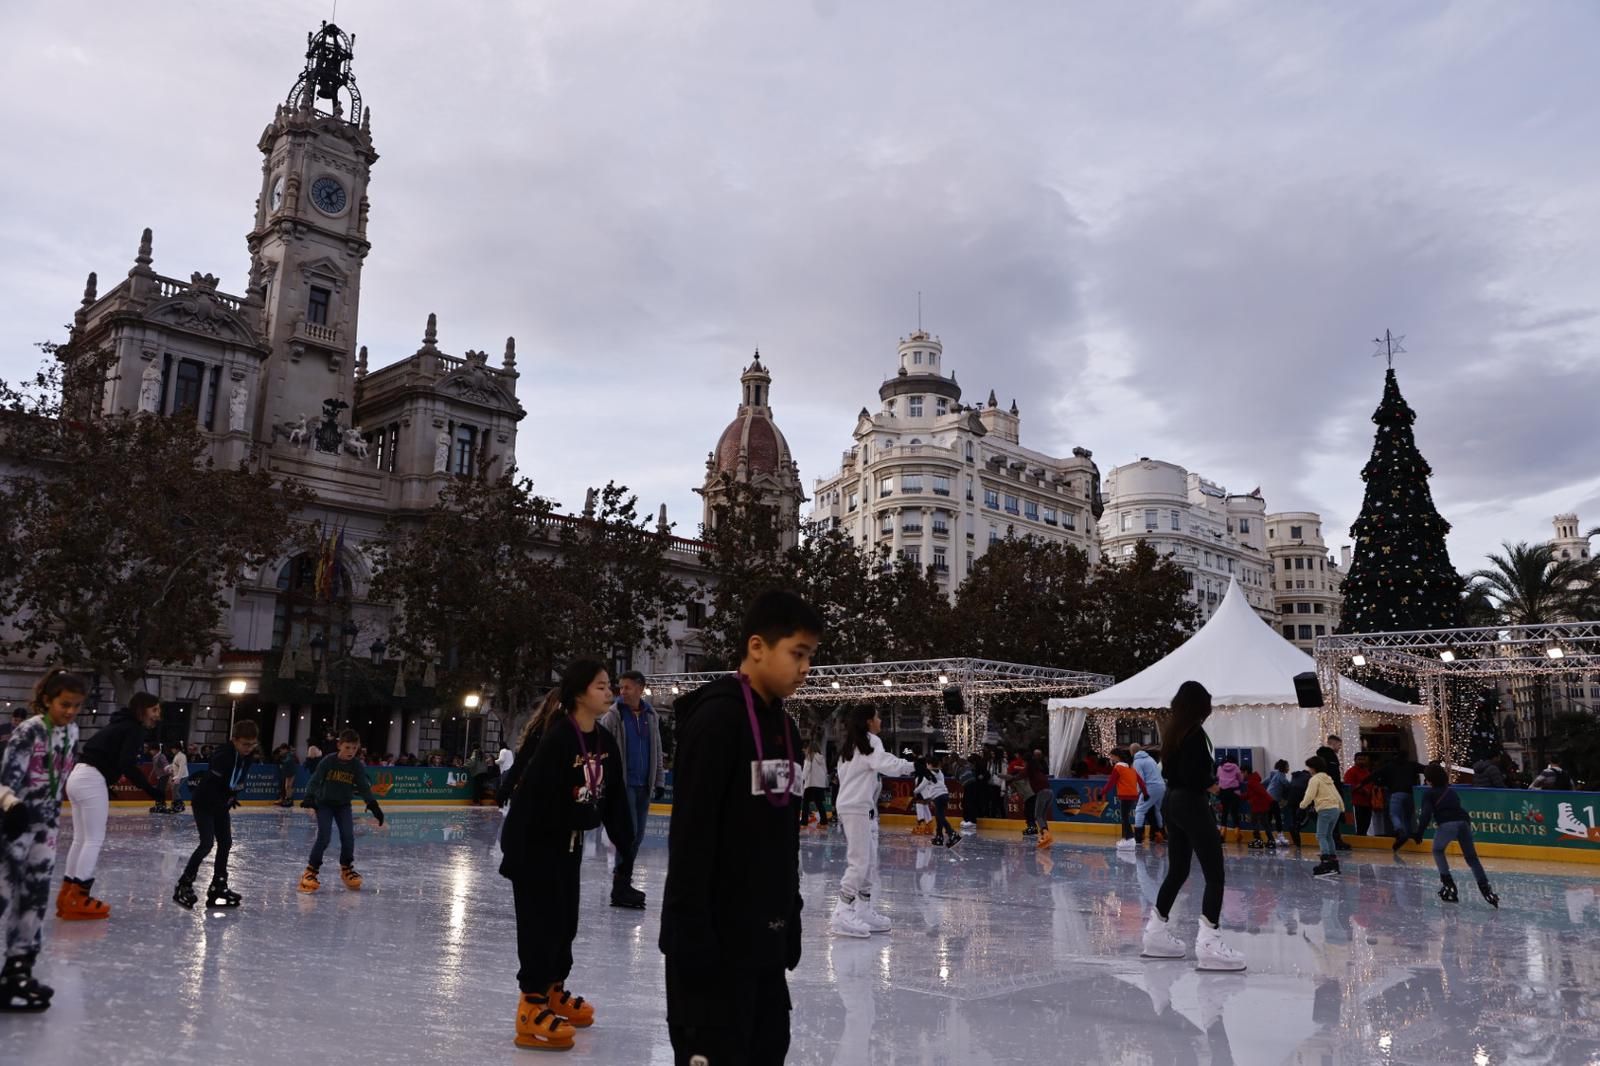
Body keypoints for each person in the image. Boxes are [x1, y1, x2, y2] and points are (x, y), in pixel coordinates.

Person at [660, 590, 822, 1066]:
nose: (806, 667)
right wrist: (695, 943)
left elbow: (781, 834)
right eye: (798, 653)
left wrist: (788, 916)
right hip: (710, 953)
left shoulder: (785, 730)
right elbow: (690, 840)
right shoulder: (716, 721)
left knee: (768, 1048)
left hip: (763, 945)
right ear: (757, 647)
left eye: (810, 656)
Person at [499, 660, 635, 1052]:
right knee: (539, 924)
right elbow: (533, 796)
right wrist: (516, 850)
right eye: (600, 687)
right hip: (535, 845)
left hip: (568, 846)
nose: (610, 693)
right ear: (578, 694)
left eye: (610, 686)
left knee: (564, 922)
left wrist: (626, 842)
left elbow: (612, 796)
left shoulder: (603, 743)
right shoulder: (558, 739)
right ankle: (531, 1004)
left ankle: (554, 989)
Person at [1140, 681, 1245, 971]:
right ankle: (1209, 941)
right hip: (1191, 803)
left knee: (1178, 870)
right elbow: (1195, 774)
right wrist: (1210, 784)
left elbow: (1173, 771)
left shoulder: (1172, 732)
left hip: (1172, 802)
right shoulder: (1196, 734)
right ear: (1200, 705)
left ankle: (1156, 934)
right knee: (1215, 873)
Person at [0, 669, 87, 1012]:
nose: (70, 711)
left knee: (34, 898)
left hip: (46, 827)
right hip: (15, 824)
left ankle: (17, 972)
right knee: (3, 896)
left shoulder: (72, 731)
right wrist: (11, 805)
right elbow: (5, 780)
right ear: (48, 699)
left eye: (77, 706)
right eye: (65, 704)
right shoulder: (30, 730)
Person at [60, 691, 166, 920]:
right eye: (155, 710)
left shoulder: (119, 725)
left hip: (78, 776)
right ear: (142, 709)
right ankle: (79, 896)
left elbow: (106, 756)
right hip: (91, 779)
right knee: (93, 839)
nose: (158, 715)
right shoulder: (134, 729)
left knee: (81, 839)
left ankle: (67, 895)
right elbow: (126, 764)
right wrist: (152, 791)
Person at [830, 704, 915, 937]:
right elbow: (885, 763)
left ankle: (863, 908)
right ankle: (842, 910)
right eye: (878, 717)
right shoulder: (870, 742)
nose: (880, 721)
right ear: (869, 721)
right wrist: (913, 766)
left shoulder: (852, 745)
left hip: (856, 806)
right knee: (859, 861)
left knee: (868, 860)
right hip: (856, 807)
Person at [173, 721, 259, 910]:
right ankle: (184, 884)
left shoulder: (248, 756)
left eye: (252, 744)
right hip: (204, 804)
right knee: (206, 844)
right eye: (245, 744)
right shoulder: (223, 756)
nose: (249, 748)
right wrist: (225, 796)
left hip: (221, 805)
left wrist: (232, 795)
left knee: (226, 843)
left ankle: (218, 885)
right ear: (234, 740)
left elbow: (236, 779)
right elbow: (213, 784)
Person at [599, 669, 663, 909]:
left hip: (643, 784)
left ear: (640, 688)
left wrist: (658, 780)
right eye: (621, 687)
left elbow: (656, 748)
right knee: (628, 834)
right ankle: (620, 883)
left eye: (627, 687)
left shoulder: (651, 715)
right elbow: (603, 749)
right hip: (623, 785)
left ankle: (624, 880)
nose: (622, 692)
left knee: (637, 837)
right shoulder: (613, 716)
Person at [297, 729, 385, 894]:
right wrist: (309, 796)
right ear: (339, 746)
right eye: (347, 747)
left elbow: (363, 787)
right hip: (324, 804)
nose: (351, 751)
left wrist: (373, 805)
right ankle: (311, 870)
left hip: (343, 805)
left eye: (354, 748)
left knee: (348, 835)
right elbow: (315, 779)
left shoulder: (356, 765)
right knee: (324, 836)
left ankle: (346, 868)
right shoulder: (328, 761)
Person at [1414, 764, 1499, 907]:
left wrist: (1419, 833)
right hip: (1464, 822)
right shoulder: (1450, 792)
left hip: (1448, 823)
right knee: (1471, 858)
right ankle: (1486, 890)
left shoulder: (1429, 793)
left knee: (1437, 850)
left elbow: (1426, 815)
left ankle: (1449, 885)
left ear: (1429, 779)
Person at [1301, 756, 1345, 879]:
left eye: (1309, 767)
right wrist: (1341, 808)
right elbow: (1336, 794)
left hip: (1325, 809)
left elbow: (1309, 795)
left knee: (1321, 835)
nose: (1309, 770)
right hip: (1335, 809)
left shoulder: (1315, 779)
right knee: (1328, 835)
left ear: (1313, 768)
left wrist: (1302, 806)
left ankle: (1326, 862)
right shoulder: (1327, 779)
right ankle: (1333, 862)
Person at [1373, 753, 1425, 853]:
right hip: (1410, 794)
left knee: (1394, 814)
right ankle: (1408, 834)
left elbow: (1374, 775)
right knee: (1407, 817)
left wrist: (1380, 783)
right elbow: (1427, 769)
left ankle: (1400, 831)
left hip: (1396, 793)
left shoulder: (1389, 766)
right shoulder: (1412, 765)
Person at [1106, 747, 1148, 851]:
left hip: (1125, 795)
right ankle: (1126, 839)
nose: (1111, 758)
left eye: (1111, 756)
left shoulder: (1118, 767)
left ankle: (1129, 838)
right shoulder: (1130, 768)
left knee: (1124, 817)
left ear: (1116, 756)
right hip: (1132, 795)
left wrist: (1102, 793)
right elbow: (1141, 782)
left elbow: (1111, 783)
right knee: (1124, 817)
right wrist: (1145, 793)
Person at [1315, 735, 1350, 851]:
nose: (1340, 748)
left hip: (1329, 791)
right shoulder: (1329, 756)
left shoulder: (1325, 756)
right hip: (1331, 792)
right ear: (1333, 743)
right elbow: (1331, 775)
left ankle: (1334, 841)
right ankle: (1334, 842)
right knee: (1333, 817)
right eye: (1339, 745)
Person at [920, 753, 959, 848]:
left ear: (930, 764)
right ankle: (939, 837)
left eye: (927, 764)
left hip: (939, 797)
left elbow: (925, 786)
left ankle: (952, 833)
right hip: (942, 796)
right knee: (939, 816)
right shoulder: (939, 772)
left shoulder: (932, 774)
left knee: (940, 816)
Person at [1130, 743, 1166, 844]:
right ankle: (1161, 832)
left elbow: (1140, 779)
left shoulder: (1137, 762)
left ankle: (1138, 835)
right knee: (1157, 810)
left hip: (1150, 787)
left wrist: (1140, 792)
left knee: (1140, 810)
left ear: (1132, 752)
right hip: (1161, 786)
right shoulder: (1150, 759)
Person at [1343, 753, 1377, 835]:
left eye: (1363, 759)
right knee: (1359, 822)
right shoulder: (1351, 772)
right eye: (1359, 759)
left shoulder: (1367, 772)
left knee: (1366, 822)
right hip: (1356, 802)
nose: (1361, 761)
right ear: (1355, 760)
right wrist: (1362, 790)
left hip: (1368, 802)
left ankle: (1363, 836)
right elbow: (1349, 786)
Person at [1005, 749, 1036, 835]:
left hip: (1031, 793)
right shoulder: (1030, 768)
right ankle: (1031, 826)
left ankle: (1032, 827)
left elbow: (1022, 775)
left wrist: (1012, 777)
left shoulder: (1029, 769)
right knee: (1028, 810)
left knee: (1030, 811)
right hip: (1030, 793)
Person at [1242, 770, 1276, 849]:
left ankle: (1258, 840)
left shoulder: (1252, 782)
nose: (1241, 775)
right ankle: (1271, 840)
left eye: (1242, 773)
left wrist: (1271, 801)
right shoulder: (1252, 781)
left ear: (1246, 772)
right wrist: (1240, 796)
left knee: (1255, 822)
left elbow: (1262, 792)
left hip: (1258, 806)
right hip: (1261, 805)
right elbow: (1249, 794)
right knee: (1264, 823)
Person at [1214, 757, 1244, 843]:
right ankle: (1237, 833)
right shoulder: (1235, 766)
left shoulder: (1220, 767)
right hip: (1234, 792)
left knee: (1224, 813)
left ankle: (1222, 834)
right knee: (1235, 812)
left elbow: (1218, 777)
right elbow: (1241, 779)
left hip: (1223, 793)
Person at [1029, 749, 1054, 849]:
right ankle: (1045, 836)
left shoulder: (1033, 770)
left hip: (1043, 793)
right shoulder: (1041, 770)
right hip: (1049, 792)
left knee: (1038, 815)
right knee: (1042, 816)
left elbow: (1022, 775)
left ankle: (1046, 835)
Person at [801, 743, 831, 828]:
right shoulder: (822, 758)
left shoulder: (809, 757)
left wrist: (802, 778)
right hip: (820, 785)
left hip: (810, 784)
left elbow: (806, 770)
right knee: (819, 803)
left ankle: (804, 823)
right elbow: (825, 771)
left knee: (805, 803)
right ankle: (824, 822)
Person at [1263, 759, 1291, 846]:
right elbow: (1287, 785)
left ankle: (1271, 838)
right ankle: (1280, 836)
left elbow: (1264, 782)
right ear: (1283, 767)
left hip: (1267, 797)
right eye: (1287, 767)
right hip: (1273, 799)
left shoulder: (1274, 773)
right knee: (1277, 817)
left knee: (1269, 818)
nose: (1288, 768)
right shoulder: (1281, 776)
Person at [147, 744, 171, 814]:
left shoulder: (161, 756)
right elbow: (155, 767)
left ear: (155, 750)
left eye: (151, 750)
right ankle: (159, 804)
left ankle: (162, 805)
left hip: (164, 775)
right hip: (160, 776)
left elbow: (166, 764)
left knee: (161, 790)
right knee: (159, 790)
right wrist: (151, 774)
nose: (150, 752)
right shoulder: (154, 757)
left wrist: (169, 772)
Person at [168, 743, 189, 814]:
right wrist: (170, 767)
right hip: (177, 776)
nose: (171, 750)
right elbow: (175, 764)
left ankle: (179, 805)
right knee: (174, 790)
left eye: (173, 749)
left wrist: (178, 778)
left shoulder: (182, 756)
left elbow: (182, 768)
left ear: (177, 749)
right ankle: (176, 804)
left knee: (174, 790)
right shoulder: (177, 755)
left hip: (182, 776)